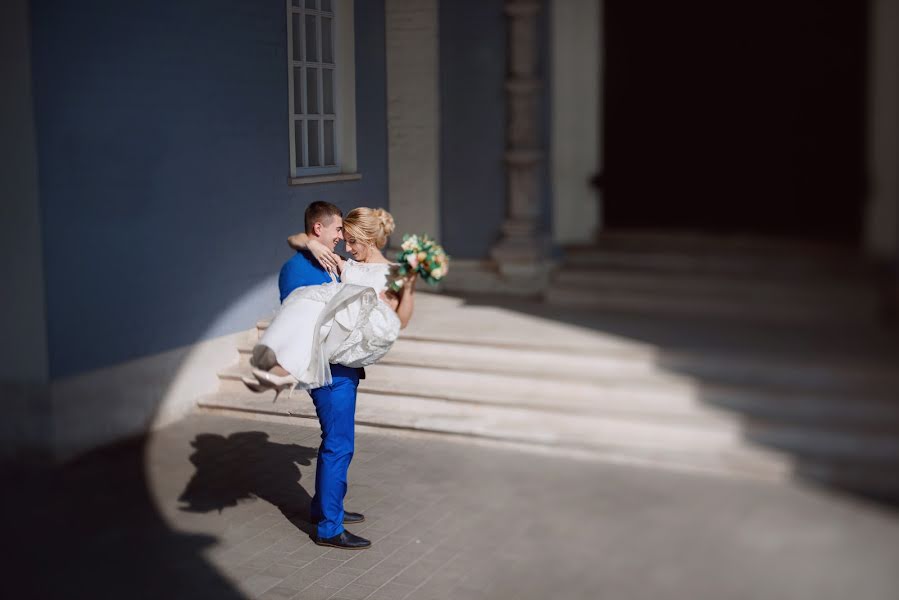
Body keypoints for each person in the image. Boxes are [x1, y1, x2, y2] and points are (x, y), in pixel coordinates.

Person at [247, 203, 416, 550]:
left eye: (348, 236)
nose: (342, 240)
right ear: (317, 230)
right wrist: (309, 244)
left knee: (337, 442)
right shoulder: (303, 266)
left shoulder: (355, 265)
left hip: (345, 364)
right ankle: (328, 527)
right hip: (329, 368)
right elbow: (300, 303)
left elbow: (397, 313)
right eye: (338, 232)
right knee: (339, 444)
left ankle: (326, 508)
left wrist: (405, 290)